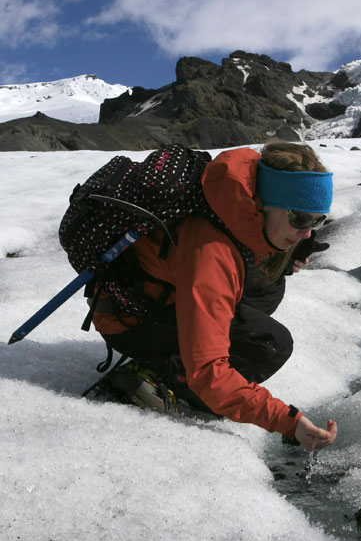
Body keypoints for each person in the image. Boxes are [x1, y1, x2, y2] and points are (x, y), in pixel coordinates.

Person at [91, 141, 337, 451]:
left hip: (149, 295)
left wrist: (290, 247)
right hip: (129, 320)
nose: (307, 232)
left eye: (317, 221)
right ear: (266, 204)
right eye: (300, 219)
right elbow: (209, 373)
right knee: (271, 345)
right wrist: (287, 421)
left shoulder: (232, 202)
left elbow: (256, 253)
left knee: (270, 287)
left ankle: (176, 351)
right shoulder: (212, 253)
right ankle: (156, 378)